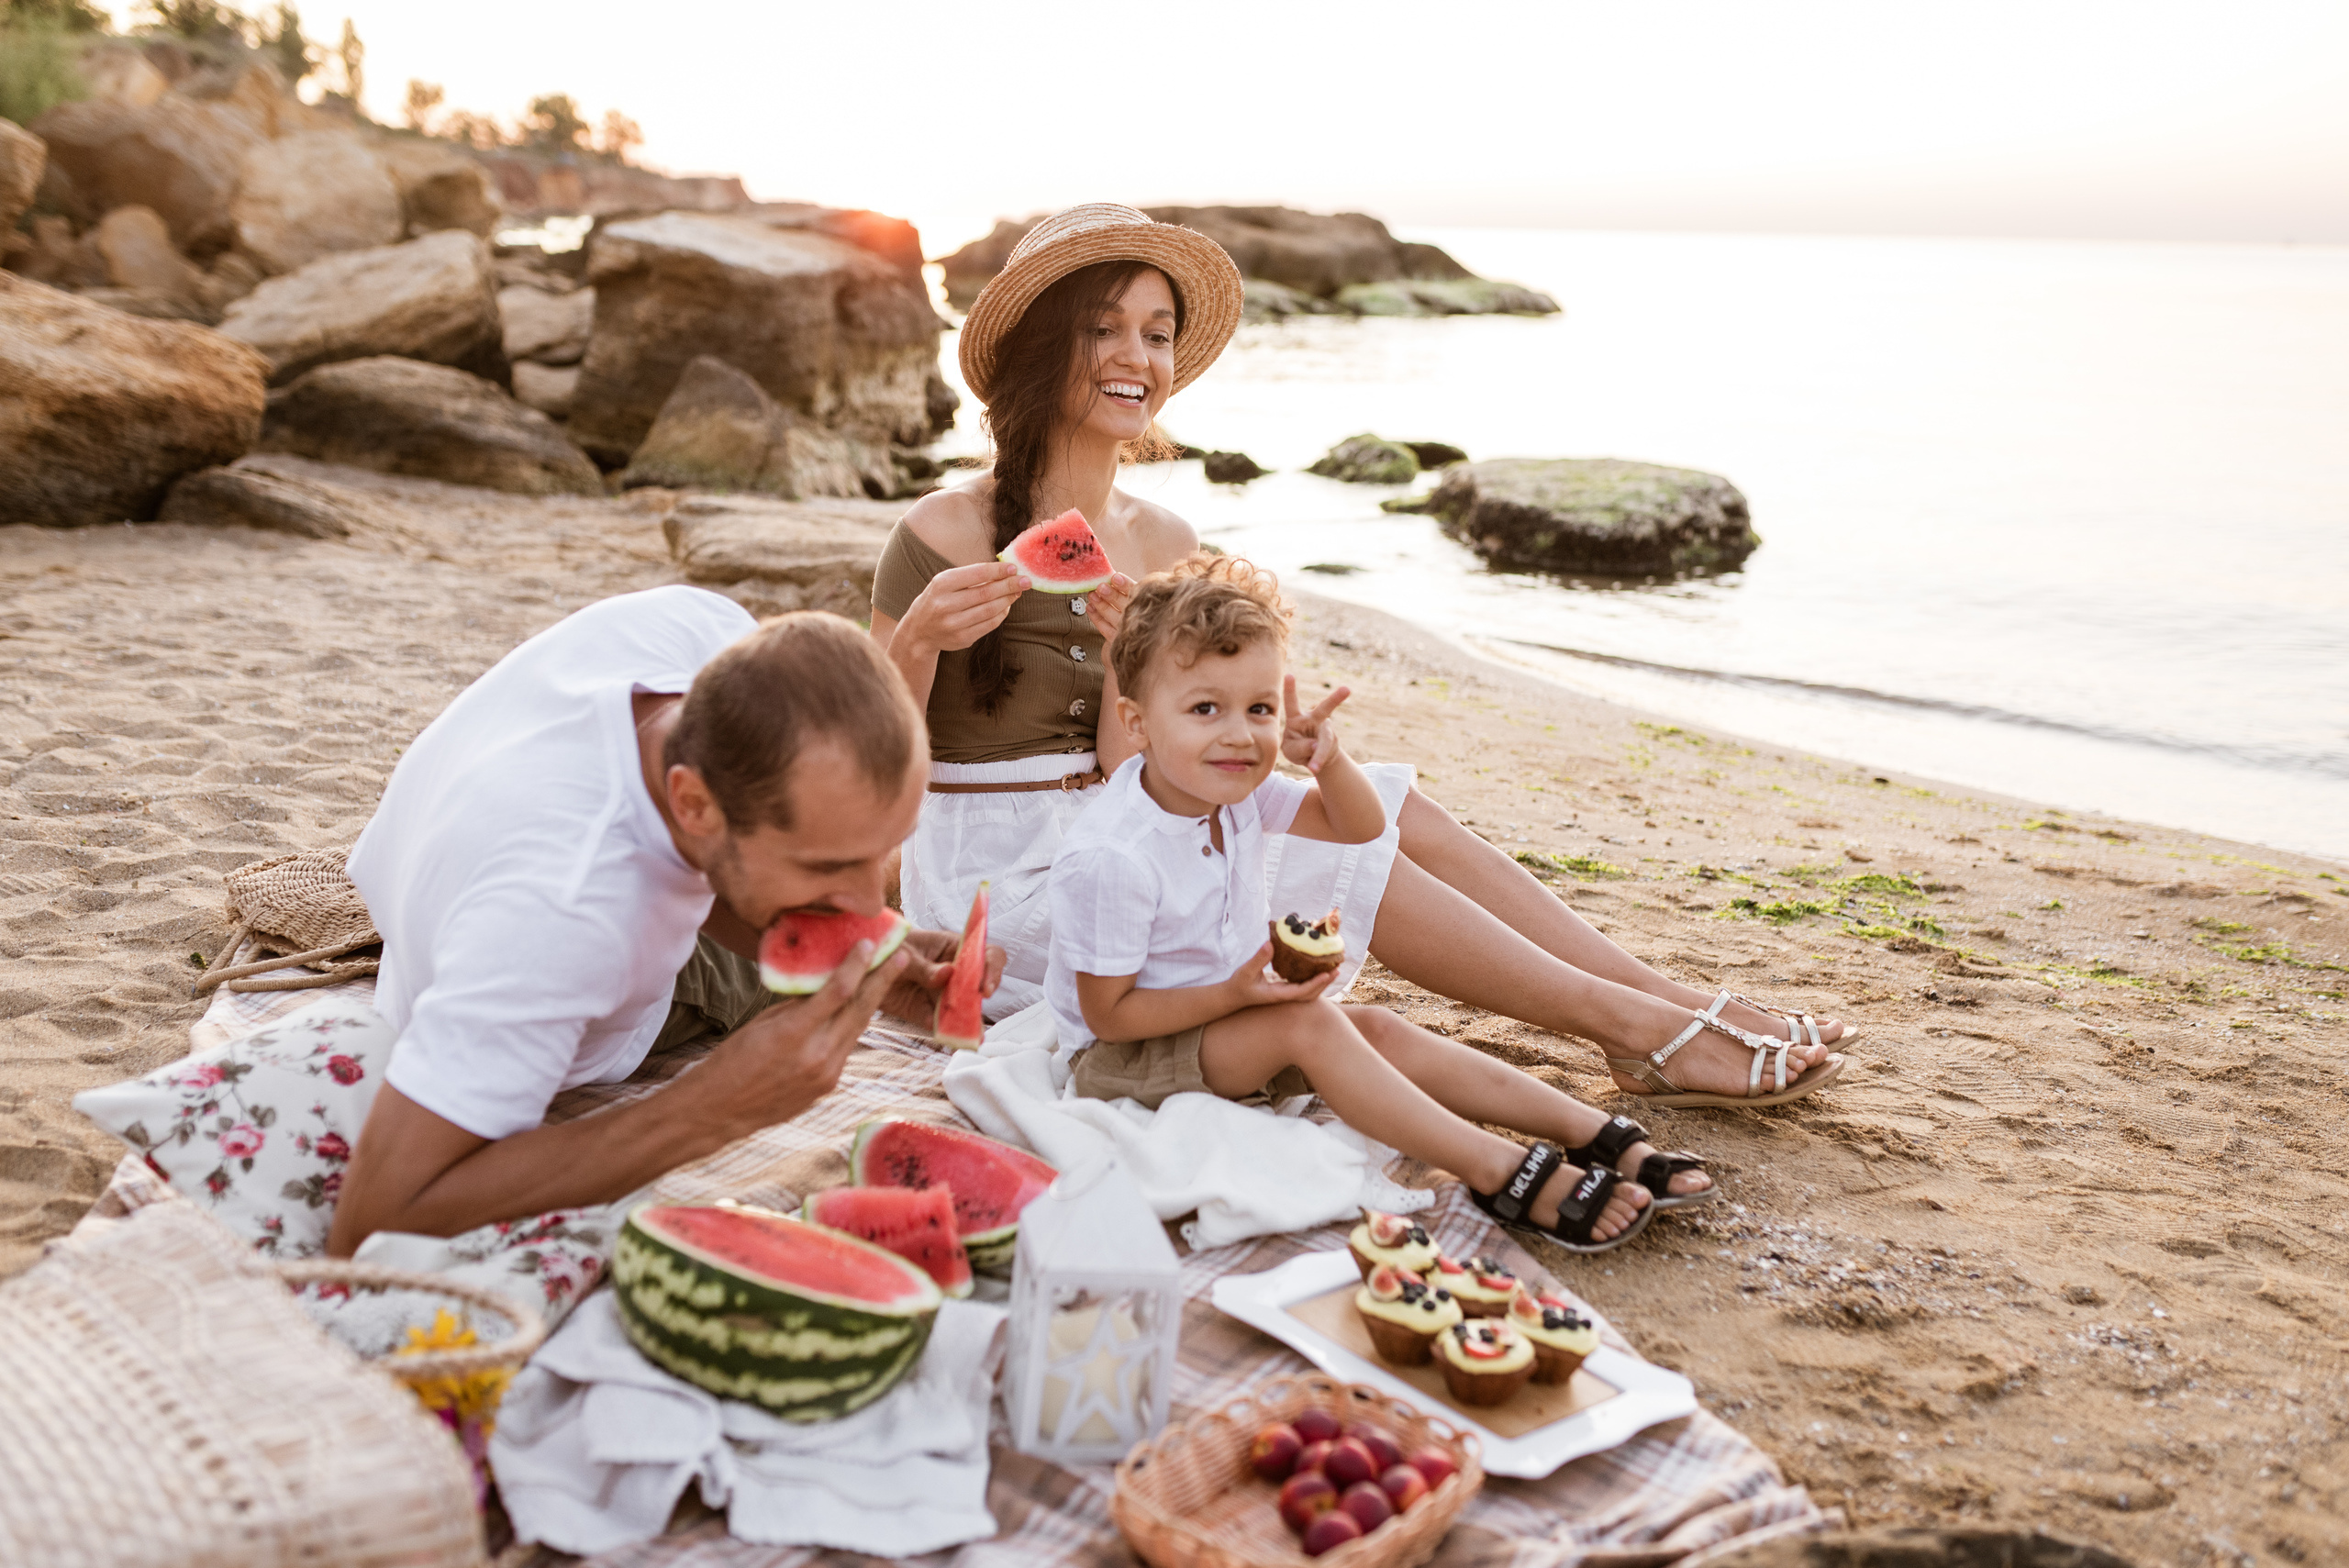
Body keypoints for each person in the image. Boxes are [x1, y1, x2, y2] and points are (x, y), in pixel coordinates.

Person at [870, 203, 1848, 1118]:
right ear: (1048, 348)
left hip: (1134, 817)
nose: (1137, 357)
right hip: (1004, 878)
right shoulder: (943, 528)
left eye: (1157, 332)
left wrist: (1152, 677)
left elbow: (1144, 764)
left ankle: (1667, 1003)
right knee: (1324, 847)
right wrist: (916, 643)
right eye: (1104, 330)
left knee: (1384, 799)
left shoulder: (1167, 534)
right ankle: (1641, 1030)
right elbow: (877, 785)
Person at [1046, 556, 1712, 1249]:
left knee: (1377, 1029)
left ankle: (1597, 1131)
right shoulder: (1114, 856)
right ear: (1137, 721)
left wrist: (1327, 762)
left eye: (1261, 708)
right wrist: (1237, 993)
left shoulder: (1232, 791)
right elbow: (1110, 1017)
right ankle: (1499, 1168)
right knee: (1312, 1026)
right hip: (1122, 1061)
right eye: (1205, 708)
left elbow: (1358, 828)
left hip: (1222, 1023)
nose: (1240, 734)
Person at [327, 589, 998, 1257]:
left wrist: (886, 948)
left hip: (446, 871)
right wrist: (712, 1105)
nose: (863, 905)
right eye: (828, 865)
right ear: (694, 803)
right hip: (504, 942)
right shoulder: (565, 918)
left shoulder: (708, 634)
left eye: (881, 850)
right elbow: (376, 1215)